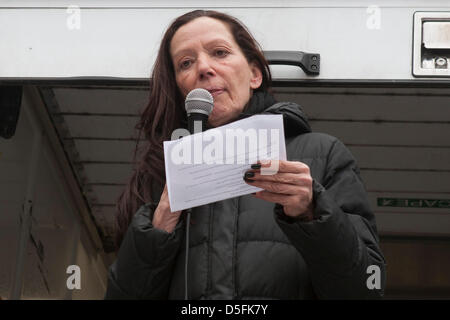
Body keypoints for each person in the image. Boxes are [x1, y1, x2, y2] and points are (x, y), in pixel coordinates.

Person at [105, 9, 386, 300]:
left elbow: (366, 289)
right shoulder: (157, 178)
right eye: (186, 62)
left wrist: (313, 214)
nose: (203, 67)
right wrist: (159, 227)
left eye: (220, 52)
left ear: (254, 74)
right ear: (179, 88)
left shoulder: (321, 155)